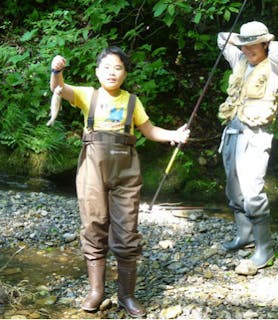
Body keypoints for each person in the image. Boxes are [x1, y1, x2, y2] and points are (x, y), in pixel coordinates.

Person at [49, 46, 190, 317]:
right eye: (107, 68)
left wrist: (174, 134)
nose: (112, 72)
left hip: (127, 172)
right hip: (92, 169)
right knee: (94, 225)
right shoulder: (86, 95)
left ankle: (126, 295)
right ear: (97, 72)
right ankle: (96, 292)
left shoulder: (132, 102)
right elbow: (60, 88)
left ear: (125, 73)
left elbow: (149, 131)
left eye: (118, 68)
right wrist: (57, 71)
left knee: (126, 233)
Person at [217, 21, 278, 269]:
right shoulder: (240, 61)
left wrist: (266, 40)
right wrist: (243, 40)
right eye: (244, 47)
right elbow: (221, 37)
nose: (247, 51)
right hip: (233, 131)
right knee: (233, 187)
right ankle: (245, 236)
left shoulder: (277, 66)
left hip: (256, 135)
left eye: (253, 46)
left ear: (265, 44)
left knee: (252, 191)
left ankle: (265, 250)